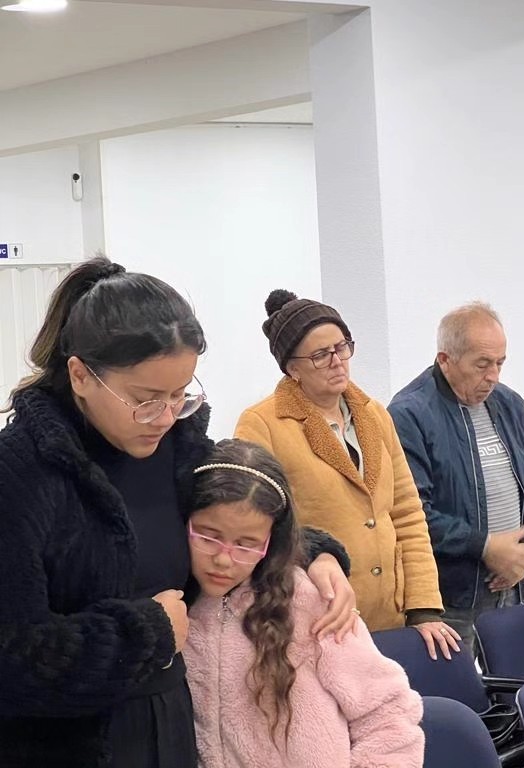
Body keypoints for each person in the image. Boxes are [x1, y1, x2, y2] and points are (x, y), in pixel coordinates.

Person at [0, 258, 356, 768]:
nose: (165, 417)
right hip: (61, 746)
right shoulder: (20, 474)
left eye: (179, 395)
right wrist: (146, 631)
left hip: (170, 727)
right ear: (80, 375)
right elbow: (13, 658)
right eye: (146, 400)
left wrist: (313, 554)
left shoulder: (178, 452)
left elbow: (240, 518)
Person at [235, 290, 459, 660]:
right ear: (292, 368)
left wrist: (423, 607)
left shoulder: (374, 413)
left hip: (390, 613)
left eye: (342, 347)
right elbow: (259, 526)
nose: (337, 361)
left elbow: (406, 512)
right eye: (321, 355)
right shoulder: (262, 424)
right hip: (320, 616)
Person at [184, 439, 425, 768]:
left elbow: (388, 713)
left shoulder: (310, 600)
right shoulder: (174, 604)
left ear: (272, 542)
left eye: (247, 544)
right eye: (209, 536)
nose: (224, 560)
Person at [388, 301, 524, 653]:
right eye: (482, 364)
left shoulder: (510, 405)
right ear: (445, 360)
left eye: (500, 363)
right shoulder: (409, 415)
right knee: (456, 688)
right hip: (451, 600)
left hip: (513, 587)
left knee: (513, 684)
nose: (493, 376)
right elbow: (412, 512)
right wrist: (486, 547)